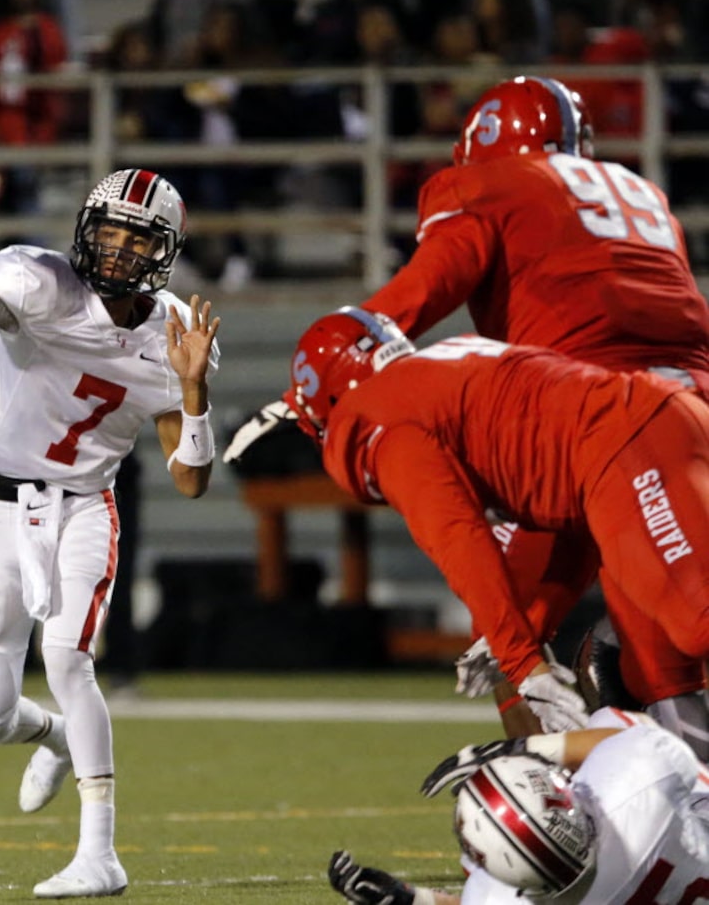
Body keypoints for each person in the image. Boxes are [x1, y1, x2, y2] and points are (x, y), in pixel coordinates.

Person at [232, 76, 709, 748]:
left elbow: (425, 287)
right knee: (648, 635)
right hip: (681, 399)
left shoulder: (491, 187)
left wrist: (328, 374)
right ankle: (651, 791)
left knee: (527, 626)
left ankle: (546, 790)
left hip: (605, 416)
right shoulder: (641, 193)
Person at [0, 167, 219, 899]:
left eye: (137, 237)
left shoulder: (174, 332)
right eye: (111, 231)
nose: (119, 250)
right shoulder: (38, 282)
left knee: (68, 659)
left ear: (166, 251)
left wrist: (193, 395)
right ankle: (56, 738)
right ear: (88, 227)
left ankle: (100, 852)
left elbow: (190, 479)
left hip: (85, 505)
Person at [283, 307, 709, 741]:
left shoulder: (377, 414)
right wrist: (524, 631)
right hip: (642, 437)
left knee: (698, 621)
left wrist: (523, 662)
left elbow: (455, 532)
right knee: (657, 668)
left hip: (633, 448)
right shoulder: (447, 364)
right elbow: (558, 495)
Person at [328, 710, 709, 904]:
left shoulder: (499, 892)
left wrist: (414, 900)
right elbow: (634, 738)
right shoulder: (634, 787)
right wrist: (522, 747)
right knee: (613, 717)